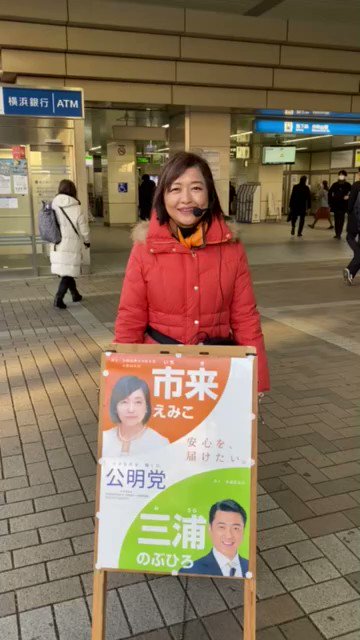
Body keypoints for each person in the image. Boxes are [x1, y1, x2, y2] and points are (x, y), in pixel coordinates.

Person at [114, 151, 269, 394]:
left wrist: (257, 380)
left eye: (196, 188)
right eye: (175, 189)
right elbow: (130, 318)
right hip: (161, 373)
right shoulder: (145, 249)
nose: (186, 199)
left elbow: (245, 317)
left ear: (209, 195)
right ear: (162, 197)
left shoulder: (231, 247)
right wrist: (121, 378)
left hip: (215, 372)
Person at [102, 375, 169, 456]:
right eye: (124, 402)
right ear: (115, 407)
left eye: (138, 402)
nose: (131, 409)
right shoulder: (105, 438)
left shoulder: (160, 443)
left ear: (146, 407)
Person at [179, 499, 248, 577]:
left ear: (243, 531)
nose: (229, 535)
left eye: (235, 528)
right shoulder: (190, 570)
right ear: (210, 529)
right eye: (222, 527)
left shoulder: (250, 566)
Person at [51, 179, 90, 309]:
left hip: (57, 242)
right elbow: (84, 228)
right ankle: (59, 298)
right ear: (73, 191)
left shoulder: (53, 205)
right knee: (68, 272)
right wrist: (87, 241)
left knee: (68, 270)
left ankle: (75, 294)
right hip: (71, 244)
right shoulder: (77, 207)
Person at [343, 168, 360, 285]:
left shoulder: (356, 185)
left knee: (350, 237)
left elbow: (351, 205)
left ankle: (350, 271)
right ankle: (350, 272)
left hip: (355, 220)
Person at [328, 170, 351, 239]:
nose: (341, 176)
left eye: (342, 175)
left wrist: (348, 197)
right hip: (335, 204)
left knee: (341, 220)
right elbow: (329, 193)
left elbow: (352, 193)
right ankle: (337, 233)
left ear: (345, 176)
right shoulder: (335, 184)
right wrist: (331, 201)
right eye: (340, 174)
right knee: (336, 219)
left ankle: (339, 234)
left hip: (343, 205)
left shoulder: (348, 184)